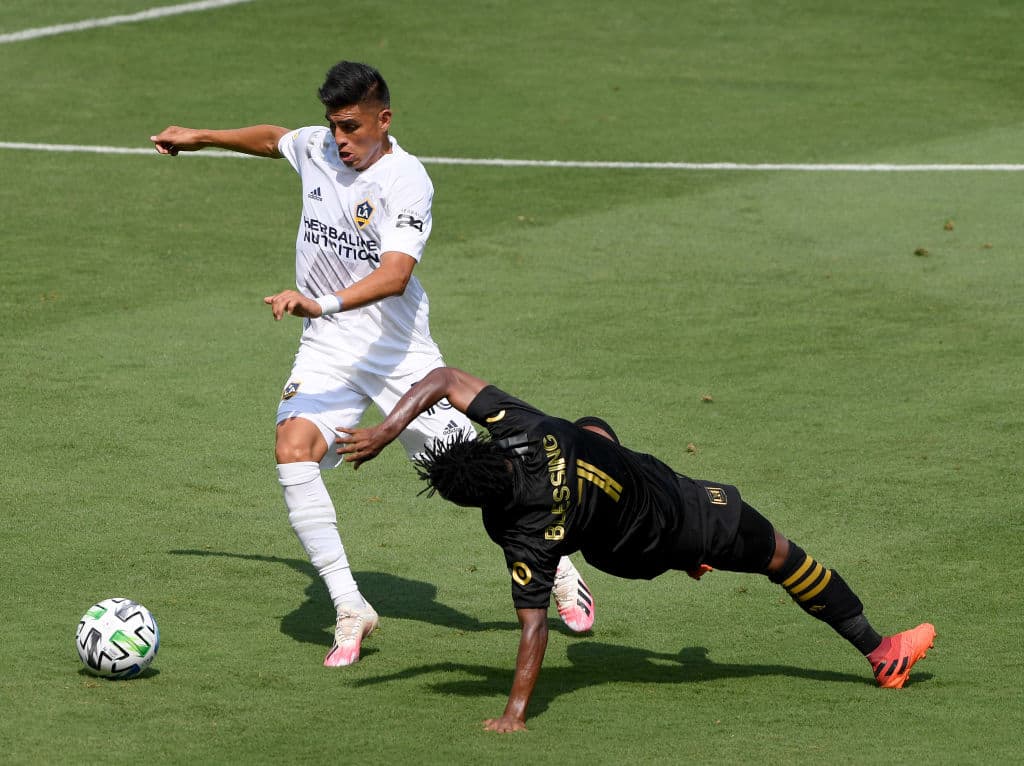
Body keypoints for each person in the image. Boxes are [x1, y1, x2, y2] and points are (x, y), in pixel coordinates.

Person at [150, 61, 594, 667]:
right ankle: (350, 605)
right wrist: (201, 137)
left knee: (476, 476)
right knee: (292, 449)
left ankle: (558, 566)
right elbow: (276, 139)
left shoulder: (407, 181)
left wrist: (320, 299)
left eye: (352, 128)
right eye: (335, 126)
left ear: (383, 120)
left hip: (398, 352)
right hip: (327, 347)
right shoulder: (318, 147)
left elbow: (395, 275)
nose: (340, 140)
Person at [335, 366, 937, 732]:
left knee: (595, 427)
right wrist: (385, 433)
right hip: (682, 518)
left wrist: (514, 713)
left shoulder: (520, 531)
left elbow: (533, 628)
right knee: (782, 556)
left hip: (619, 553)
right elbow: (441, 379)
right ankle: (883, 653)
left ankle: (687, 552)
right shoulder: (527, 428)